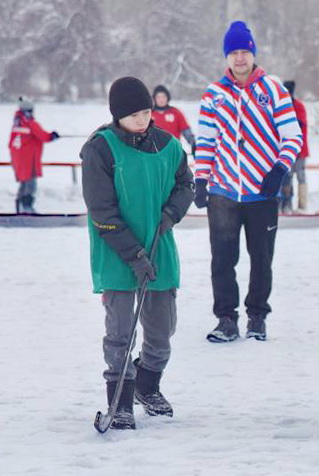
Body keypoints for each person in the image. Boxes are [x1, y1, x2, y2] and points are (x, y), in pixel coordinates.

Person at [81, 76, 194, 429]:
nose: (143, 119)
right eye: (135, 115)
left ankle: (147, 385)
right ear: (118, 116)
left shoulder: (168, 145)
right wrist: (133, 255)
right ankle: (122, 400)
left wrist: (171, 213)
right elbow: (102, 211)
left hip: (158, 248)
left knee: (162, 332)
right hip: (117, 253)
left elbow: (186, 184)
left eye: (147, 111)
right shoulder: (100, 149)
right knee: (120, 331)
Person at [194, 20, 303, 343]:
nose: (240, 58)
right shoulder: (213, 95)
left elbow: (293, 136)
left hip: (262, 193)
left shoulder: (273, 89)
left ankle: (257, 316)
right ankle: (226, 318)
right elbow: (206, 141)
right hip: (223, 192)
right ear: (226, 57)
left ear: (253, 54)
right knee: (223, 260)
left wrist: (278, 170)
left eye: (245, 51)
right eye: (234, 52)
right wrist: (201, 180)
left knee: (261, 259)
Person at [8, 97, 59, 214]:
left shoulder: (17, 123)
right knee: (31, 185)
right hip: (29, 161)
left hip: (19, 160)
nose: (31, 113)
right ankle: (27, 207)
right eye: (30, 111)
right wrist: (53, 136)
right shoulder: (30, 123)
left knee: (23, 182)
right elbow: (44, 136)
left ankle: (20, 205)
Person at [283, 80, 309, 212]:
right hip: (288, 148)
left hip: (300, 149)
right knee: (287, 177)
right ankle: (287, 204)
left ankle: (302, 204)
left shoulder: (298, 106)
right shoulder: (284, 105)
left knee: (300, 176)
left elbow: (301, 126)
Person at [151, 85, 196, 155]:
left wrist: (194, 145)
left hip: (173, 151)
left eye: (163, 97)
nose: (161, 99)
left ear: (167, 98)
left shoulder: (176, 113)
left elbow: (187, 132)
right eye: (158, 97)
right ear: (154, 99)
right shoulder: (149, 114)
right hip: (154, 152)